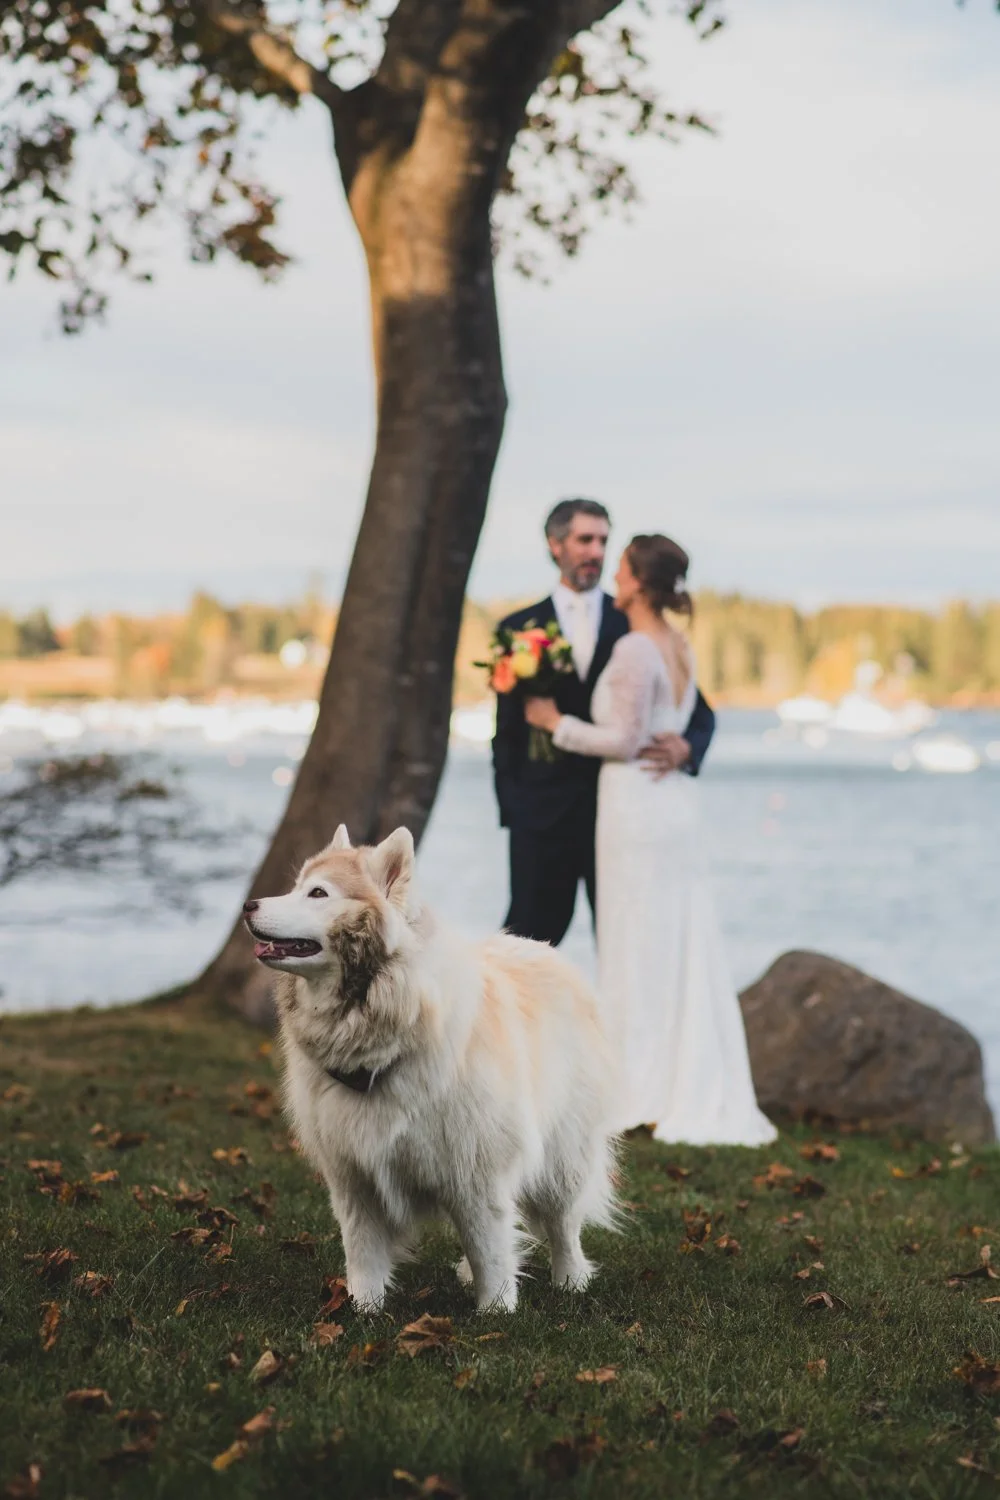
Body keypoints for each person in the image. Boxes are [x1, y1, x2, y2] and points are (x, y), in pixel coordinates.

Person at [524, 533, 776, 1146]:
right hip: (673, 806)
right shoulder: (677, 642)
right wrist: (685, 744)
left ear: (638, 581)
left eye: (624, 567)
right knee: (674, 940)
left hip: (637, 804)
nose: (615, 573)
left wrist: (556, 724)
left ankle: (640, 1086)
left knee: (636, 941)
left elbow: (627, 739)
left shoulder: (637, 648)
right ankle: (674, 1080)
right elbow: (674, 724)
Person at [492, 498, 716, 948]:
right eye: (584, 540)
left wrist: (687, 747)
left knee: (623, 937)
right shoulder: (518, 627)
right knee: (526, 945)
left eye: (602, 541)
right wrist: (514, 810)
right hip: (542, 820)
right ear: (556, 546)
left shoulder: (635, 620)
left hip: (619, 814)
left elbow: (701, 713)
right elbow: (508, 732)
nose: (595, 552)